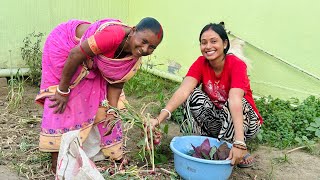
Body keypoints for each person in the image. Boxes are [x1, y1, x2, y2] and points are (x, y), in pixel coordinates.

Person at [35, 17, 163, 172]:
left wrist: (112, 111)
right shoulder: (113, 35)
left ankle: (101, 152)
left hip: (88, 61)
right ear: (133, 30)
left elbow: (116, 83)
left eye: (152, 47)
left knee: (99, 97)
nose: (145, 49)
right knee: (67, 102)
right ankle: (59, 160)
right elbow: (75, 54)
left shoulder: (133, 58)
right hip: (66, 48)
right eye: (143, 41)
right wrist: (62, 90)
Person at [150, 22, 262, 168]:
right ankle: (198, 145)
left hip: (246, 120)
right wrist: (159, 119)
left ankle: (232, 149)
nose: (208, 46)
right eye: (204, 43)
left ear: (225, 43)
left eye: (213, 41)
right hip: (219, 118)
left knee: (230, 102)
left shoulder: (237, 65)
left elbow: (235, 99)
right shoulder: (201, 63)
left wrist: (240, 141)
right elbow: (183, 91)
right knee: (191, 95)